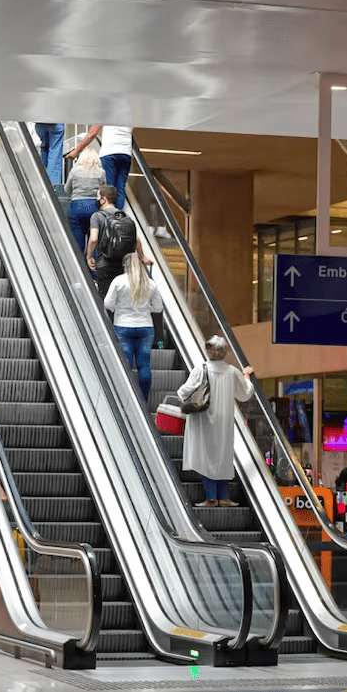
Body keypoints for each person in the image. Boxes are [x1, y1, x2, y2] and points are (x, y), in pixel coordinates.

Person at [177, 335, 254, 507]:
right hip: (224, 420)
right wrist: (246, 376)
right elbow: (245, 394)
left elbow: (183, 392)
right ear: (225, 353)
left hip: (203, 418)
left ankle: (211, 498)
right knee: (222, 456)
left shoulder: (200, 369)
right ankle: (224, 497)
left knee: (206, 455)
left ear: (208, 351)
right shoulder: (233, 372)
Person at [104, 252, 164, 402]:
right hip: (145, 327)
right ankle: (143, 400)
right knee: (144, 364)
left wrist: (121, 308)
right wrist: (144, 308)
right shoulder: (150, 284)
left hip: (123, 326)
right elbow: (158, 308)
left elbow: (107, 304)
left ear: (125, 265)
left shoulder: (119, 281)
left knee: (126, 363)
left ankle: (126, 399)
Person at [86, 184, 152, 301]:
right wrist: (142, 257)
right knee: (122, 298)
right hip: (123, 264)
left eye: (97, 197)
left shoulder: (97, 216)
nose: (96, 200)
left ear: (103, 199)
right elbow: (136, 240)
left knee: (106, 299)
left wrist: (89, 256)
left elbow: (93, 239)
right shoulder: (125, 216)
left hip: (104, 264)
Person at [67, 125, 133, 209]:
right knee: (120, 189)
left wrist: (76, 151)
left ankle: (109, 217)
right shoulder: (129, 115)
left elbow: (92, 133)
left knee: (108, 188)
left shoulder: (105, 113)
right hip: (126, 153)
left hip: (109, 153)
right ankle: (118, 217)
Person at [64, 146, 104, 252]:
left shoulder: (74, 171)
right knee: (94, 241)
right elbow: (103, 189)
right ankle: (94, 267)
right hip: (94, 207)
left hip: (77, 206)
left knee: (77, 244)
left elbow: (67, 189)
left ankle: (78, 266)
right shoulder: (101, 172)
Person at [35, 122, 65, 187]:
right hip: (55, 122)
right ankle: (52, 186)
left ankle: (42, 181)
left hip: (39, 123)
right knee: (55, 151)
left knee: (44, 147)